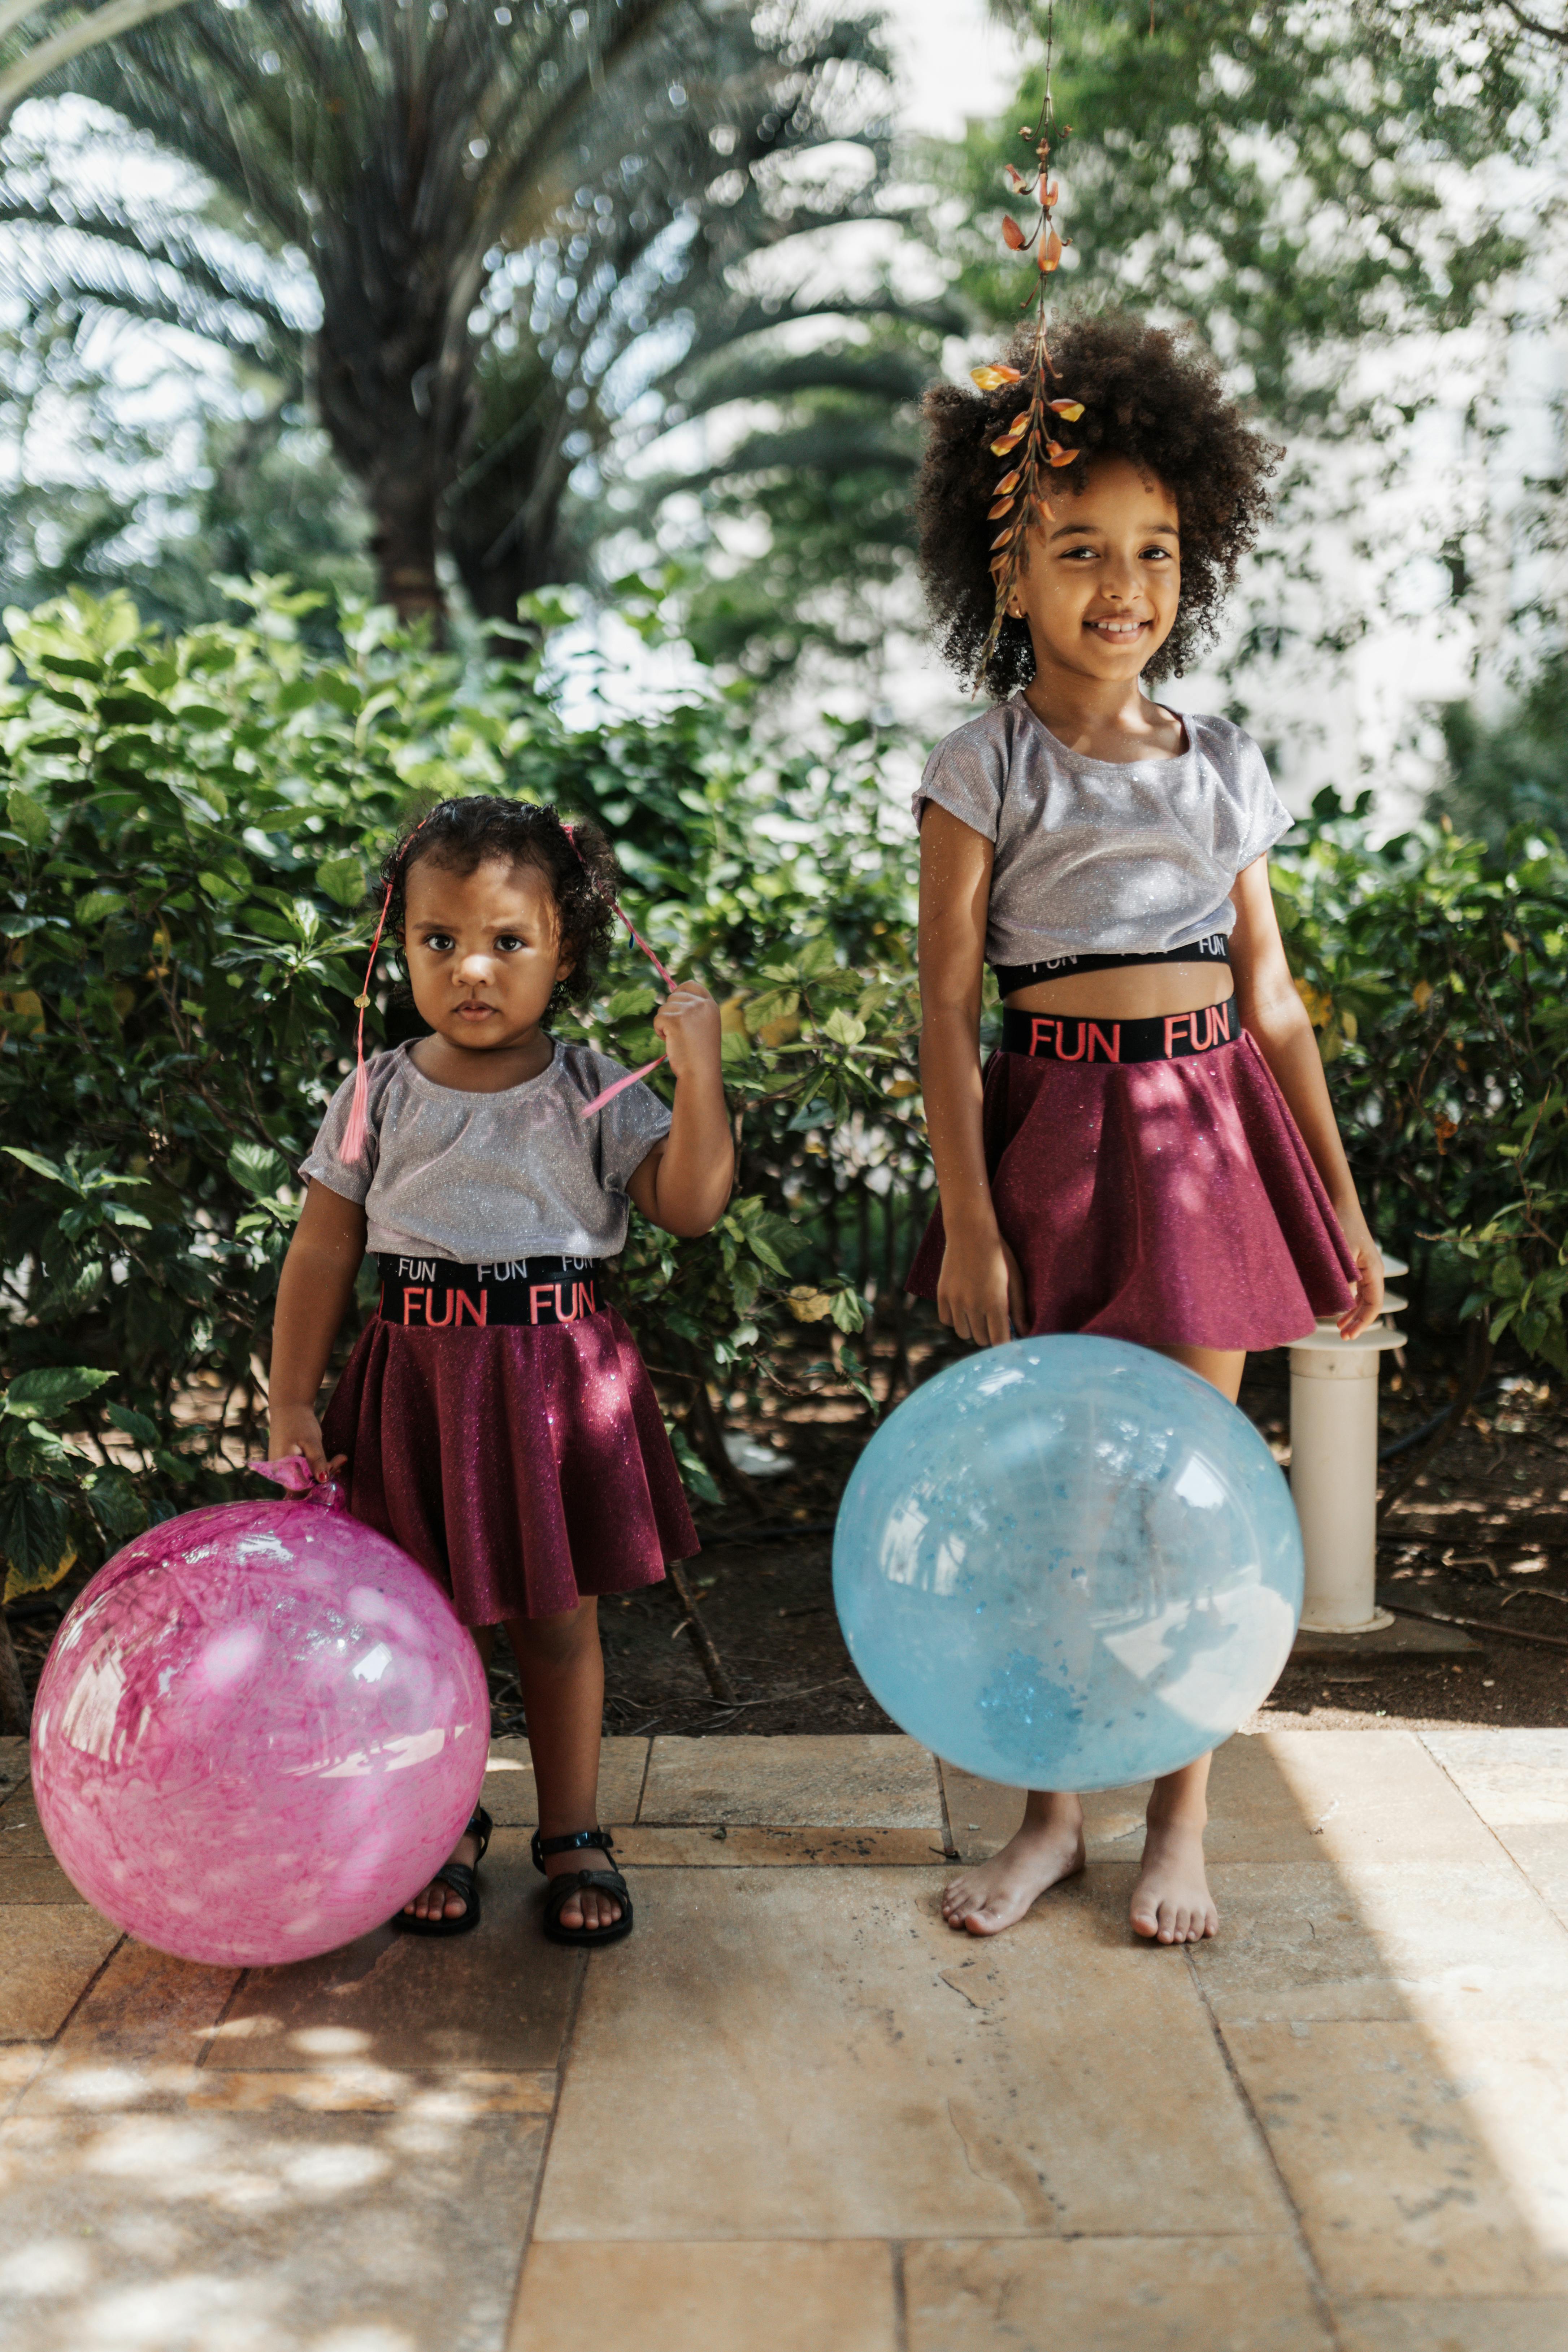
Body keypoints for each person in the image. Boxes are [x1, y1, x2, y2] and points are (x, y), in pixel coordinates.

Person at [908, 310, 1384, 1946]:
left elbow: (1274, 998)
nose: (1126, 585)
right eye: (1081, 550)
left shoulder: (1221, 763)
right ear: (1010, 576)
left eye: (1157, 550)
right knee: (1060, 1500)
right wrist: (973, 1222)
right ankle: (1052, 1817)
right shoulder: (987, 765)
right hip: (1048, 1144)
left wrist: (1342, 1205)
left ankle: (1180, 1819)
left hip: (1205, 1147)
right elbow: (948, 1010)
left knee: (1190, 1493)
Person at [267, 796, 732, 1946]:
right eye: (440, 941)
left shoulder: (591, 1085)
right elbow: (324, 1245)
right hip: (416, 1384)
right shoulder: (382, 1087)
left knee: (558, 1620)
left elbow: (690, 1203)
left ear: (565, 951)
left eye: (508, 941)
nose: (472, 967)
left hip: (549, 1387)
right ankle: (441, 1822)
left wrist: (700, 1074)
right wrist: (287, 1395)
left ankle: (572, 1828)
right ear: (402, 941)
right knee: (423, 1623)